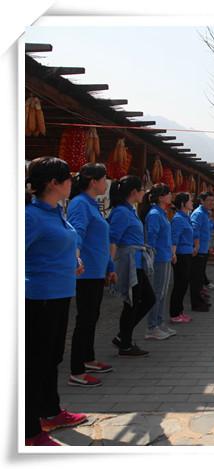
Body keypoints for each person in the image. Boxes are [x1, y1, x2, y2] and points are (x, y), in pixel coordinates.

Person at [25, 157, 87, 446]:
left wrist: (72, 262)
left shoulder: (57, 212)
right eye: (68, 178)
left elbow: (57, 245)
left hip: (60, 294)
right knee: (35, 363)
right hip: (40, 298)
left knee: (52, 358)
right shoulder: (31, 216)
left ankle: (50, 411)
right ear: (54, 183)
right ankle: (29, 431)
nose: (72, 183)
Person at [66, 163, 116, 388]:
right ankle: (77, 370)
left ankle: (88, 358)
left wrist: (109, 265)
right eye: (104, 179)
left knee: (92, 317)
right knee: (85, 319)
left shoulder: (92, 204)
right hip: (85, 272)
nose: (106, 183)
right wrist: (76, 258)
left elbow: (101, 241)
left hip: (96, 270)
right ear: (93, 181)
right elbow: (77, 233)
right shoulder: (80, 203)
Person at [109, 175, 156, 357]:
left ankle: (123, 336)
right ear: (134, 192)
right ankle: (125, 343)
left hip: (137, 262)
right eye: (142, 189)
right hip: (129, 263)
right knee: (131, 303)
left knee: (146, 299)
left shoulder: (130, 210)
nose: (144, 193)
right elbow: (113, 240)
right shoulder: (121, 212)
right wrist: (110, 267)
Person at [141, 183, 176, 340]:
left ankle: (159, 322)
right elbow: (151, 238)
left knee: (162, 292)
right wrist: (152, 257)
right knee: (157, 292)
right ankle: (152, 326)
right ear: (161, 197)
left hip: (165, 256)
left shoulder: (162, 213)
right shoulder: (155, 214)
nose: (170, 196)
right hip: (158, 258)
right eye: (168, 193)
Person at [169, 192, 195, 323]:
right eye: (190, 200)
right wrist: (173, 253)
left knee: (184, 284)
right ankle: (174, 313)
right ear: (183, 203)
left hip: (187, 253)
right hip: (180, 255)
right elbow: (174, 238)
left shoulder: (186, 217)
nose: (192, 202)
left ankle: (180, 311)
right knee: (180, 284)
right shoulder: (178, 219)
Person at [190, 191, 214, 311]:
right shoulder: (198, 213)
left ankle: (200, 300)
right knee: (196, 278)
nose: (211, 202)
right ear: (202, 201)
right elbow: (195, 231)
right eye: (209, 200)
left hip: (204, 249)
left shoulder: (206, 213)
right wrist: (196, 246)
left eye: (212, 200)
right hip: (198, 250)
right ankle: (196, 304)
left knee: (200, 278)